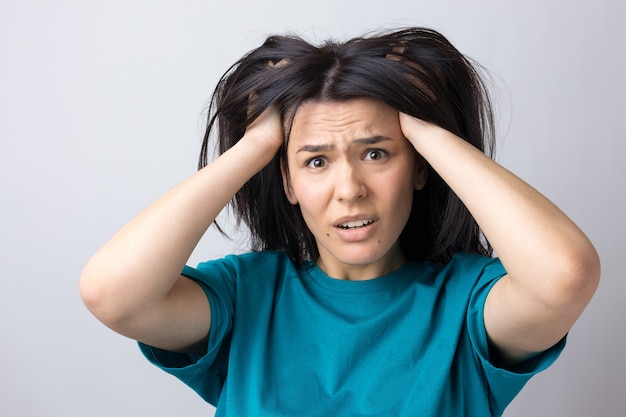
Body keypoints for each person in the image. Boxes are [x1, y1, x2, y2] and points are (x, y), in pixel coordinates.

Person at [79, 27, 600, 416]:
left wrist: (425, 127)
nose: (349, 189)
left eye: (376, 155)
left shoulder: (467, 302)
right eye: (316, 162)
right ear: (286, 182)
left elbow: (565, 275)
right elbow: (112, 293)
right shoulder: (247, 294)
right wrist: (258, 144)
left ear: (418, 167)